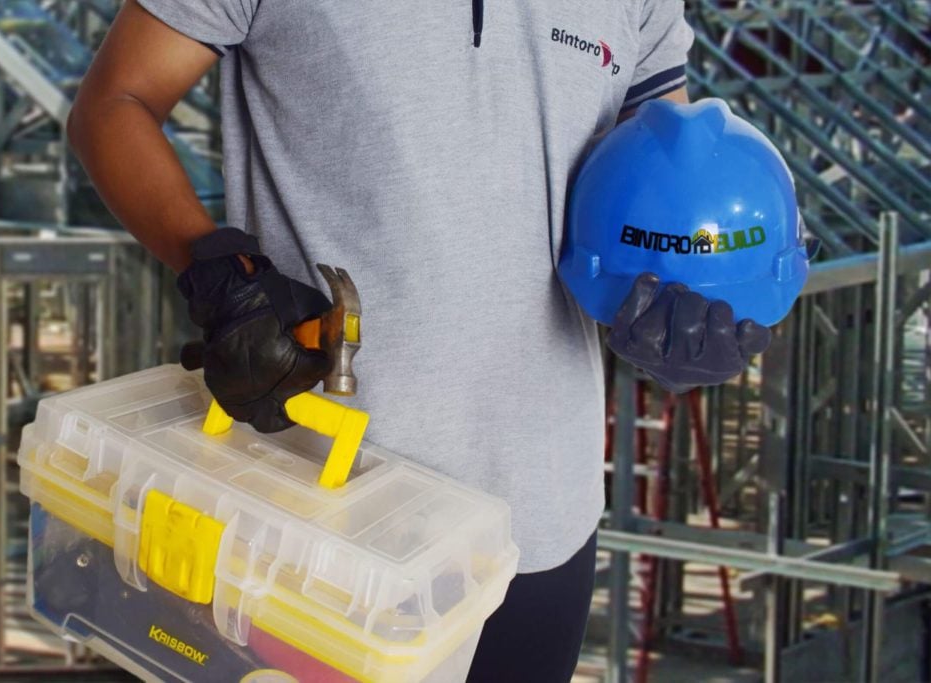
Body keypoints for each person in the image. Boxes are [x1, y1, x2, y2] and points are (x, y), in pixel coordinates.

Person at [67, 2, 769, 680]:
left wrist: (686, 312)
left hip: (539, 513)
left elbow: (664, 186)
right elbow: (115, 104)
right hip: (311, 521)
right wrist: (220, 273)